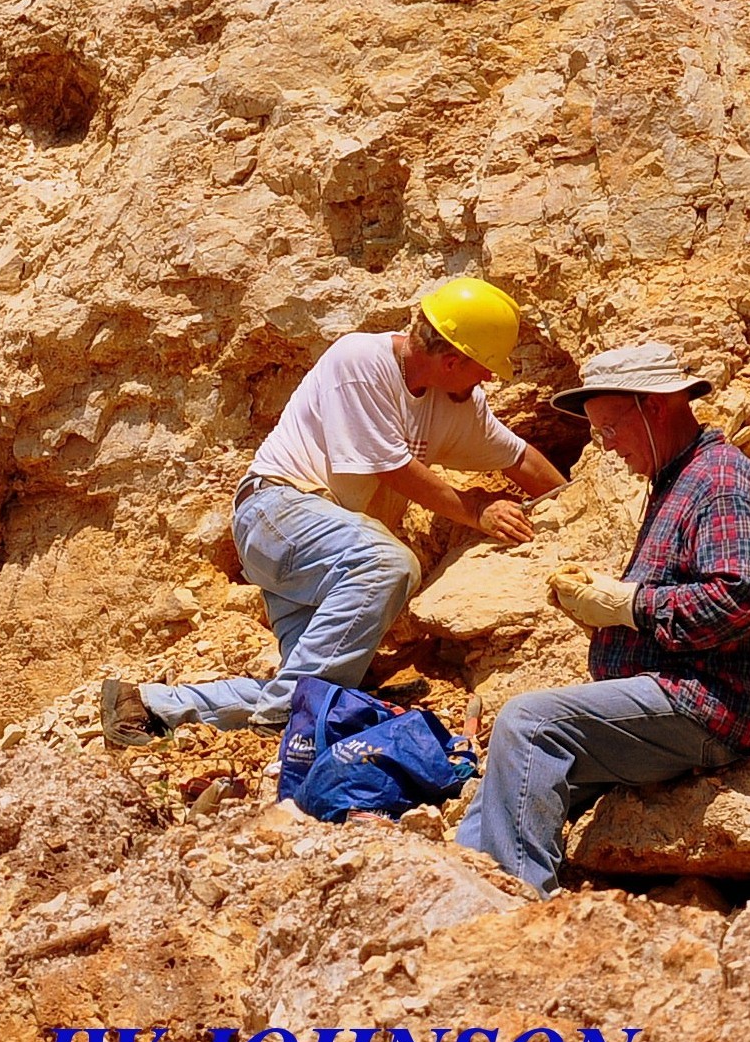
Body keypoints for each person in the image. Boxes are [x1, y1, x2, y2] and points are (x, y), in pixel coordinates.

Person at [102, 277, 566, 742]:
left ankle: (150, 705)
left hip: (327, 552)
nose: (488, 379)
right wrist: (475, 509)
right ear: (452, 360)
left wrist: (574, 499)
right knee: (389, 564)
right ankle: (288, 717)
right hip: (277, 513)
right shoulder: (360, 361)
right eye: (484, 367)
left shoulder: (457, 404)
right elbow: (392, 467)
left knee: (318, 688)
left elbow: (519, 458)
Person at [454, 341, 750, 896]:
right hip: (681, 695)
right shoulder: (677, 480)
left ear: (654, 406)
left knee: (529, 726)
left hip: (712, 704)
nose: (607, 447)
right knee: (506, 782)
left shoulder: (720, 483)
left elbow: (742, 598)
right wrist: (604, 608)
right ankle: (466, 898)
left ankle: (514, 911)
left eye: (610, 429)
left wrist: (630, 606)